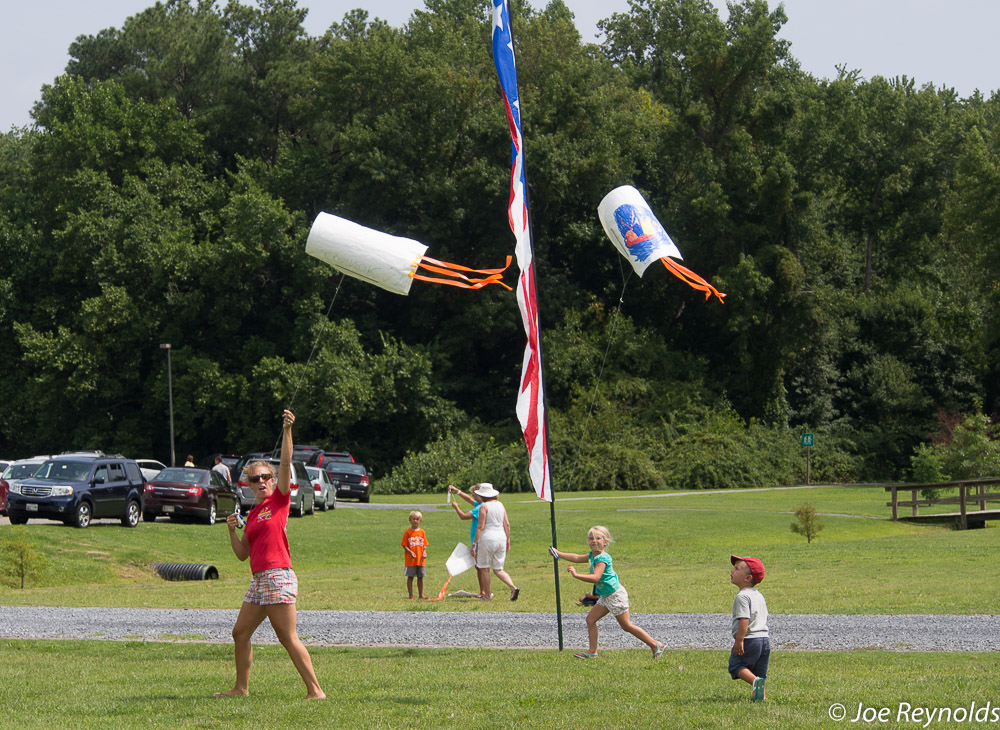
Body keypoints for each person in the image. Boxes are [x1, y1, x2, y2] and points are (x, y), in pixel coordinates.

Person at [215, 410, 325, 700]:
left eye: (266, 476)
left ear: (273, 480)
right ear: (249, 484)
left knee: (287, 637)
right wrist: (231, 532)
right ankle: (241, 688)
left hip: (278, 575)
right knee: (240, 633)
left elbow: (287, 462)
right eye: (255, 479)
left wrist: (287, 430)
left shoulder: (279, 500)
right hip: (259, 579)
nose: (261, 481)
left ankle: (315, 691)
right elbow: (242, 555)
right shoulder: (252, 515)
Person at [550, 526, 663, 660]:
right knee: (590, 619)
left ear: (606, 542)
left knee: (626, 626)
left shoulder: (603, 558)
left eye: (598, 538)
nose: (594, 541)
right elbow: (576, 557)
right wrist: (558, 553)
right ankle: (592, 651)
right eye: (591, 538)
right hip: (606, 596)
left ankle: (655, 644)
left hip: (615, 596)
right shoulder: (592, 555)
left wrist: (576, 575)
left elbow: (596, 577)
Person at [729, 555, 769, 702]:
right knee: (759, 672)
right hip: (764, 638)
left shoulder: (742, 597)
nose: (732, 571)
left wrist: (739, 641)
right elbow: (765, 617)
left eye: (737, 569)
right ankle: (761, 696)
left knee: (736, 665)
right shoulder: (758, 595)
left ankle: (754, 683)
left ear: (747, 578)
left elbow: (744, 620)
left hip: (749, 639)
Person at [470, 483, 519, 602]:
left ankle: (487, 595)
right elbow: (507, 524)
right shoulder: (501, 505)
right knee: (498, 569)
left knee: (484, 568)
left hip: (487, 538)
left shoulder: (484, 507)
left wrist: (474, 544)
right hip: (501, 537)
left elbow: (480, 527)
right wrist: (508, 540)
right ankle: (513, 587)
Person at [447, 483, 489, 598]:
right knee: (479, 566)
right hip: (479, 541)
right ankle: (484, 591)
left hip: (479, 541)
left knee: (480, 567)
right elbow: (469, 499)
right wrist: (457, 491)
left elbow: (464, 516)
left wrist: (456, 507)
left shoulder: (479, 508)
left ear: (479, 495)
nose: (473, 497)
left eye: (474, 495)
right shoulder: (482, 505)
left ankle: (484, 592)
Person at [402, 510, 429, 599]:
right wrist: (410, 552)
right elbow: (404, 545)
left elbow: (424, 544)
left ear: (420, 520)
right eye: (413, 519)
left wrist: (424, 552)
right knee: (410, 577)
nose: (415, 521)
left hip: (420, 560)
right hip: (411, 560)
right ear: (410, 520)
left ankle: (421, 595)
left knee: (420, 577)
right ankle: (411, 595)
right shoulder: (408, 532)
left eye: (417, 519)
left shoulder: (422, 532)